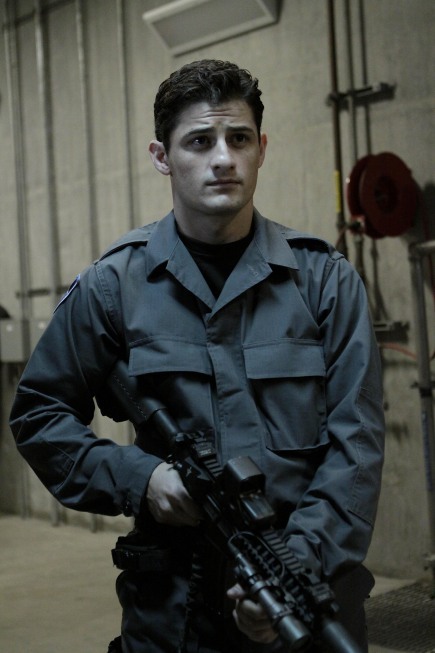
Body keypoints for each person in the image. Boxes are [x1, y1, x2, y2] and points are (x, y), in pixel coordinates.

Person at [9, 59, 384, 653]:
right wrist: (142, 479)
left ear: (261, 149)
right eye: (200, 141)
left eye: (239, 139)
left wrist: (294, 569)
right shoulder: (115, 286)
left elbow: (356, 447)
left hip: (304, 590)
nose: (223, 158)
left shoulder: (324, 281)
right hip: (173, 613)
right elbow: (39, 413)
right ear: (162, 156)